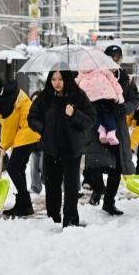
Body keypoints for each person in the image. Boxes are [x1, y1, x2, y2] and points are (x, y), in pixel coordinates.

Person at [28, 66, 95, 227]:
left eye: (60, 79)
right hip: (51, 148)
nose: (56, 83)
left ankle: (70, 219)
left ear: (66, 79)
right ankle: (53, 218)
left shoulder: (78, 96)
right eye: (53, 79)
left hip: (72, 149)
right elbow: (32, 117)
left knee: (71, 186)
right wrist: (43, 128)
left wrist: (75, 113)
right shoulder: (45, 97)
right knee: (51, 184)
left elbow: (91, 119)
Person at [85, 45, 139, 215]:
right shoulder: (94, 75)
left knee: (116, 168)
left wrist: (123, 108)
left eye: (117, 57)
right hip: (97, 127)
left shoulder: (126, 79)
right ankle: (98, 189)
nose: (114, 61)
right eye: (111, 57)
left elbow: (134, 100)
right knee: (93, 164)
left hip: (118, 130)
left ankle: (109, 202)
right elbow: (83, 96)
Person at [0, 72, 41, 217]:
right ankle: (23, 204)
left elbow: (9, 126)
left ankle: (25, 204)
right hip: (29, 132)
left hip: (28, 131)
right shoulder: (7, 94)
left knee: (13, 168)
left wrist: (4, 146)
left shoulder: (7, 100)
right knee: (18, 168)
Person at [75, 63, 125, 145]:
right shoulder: (101, 67)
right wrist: (119, 94)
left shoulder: (81, 72)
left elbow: (76, 82)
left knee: (95, 115)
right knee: (108, 114)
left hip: (90, 98)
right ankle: (111, 132)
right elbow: (112, 80)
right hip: (106, 96)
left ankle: (101, 130)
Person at [29, 91, 44, 195]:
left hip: (44, 146)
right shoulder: (29, 114)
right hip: (33, 146)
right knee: (34, 167)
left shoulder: (45, 113)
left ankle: (47, 182)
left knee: (43, 166)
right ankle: (35, 187)